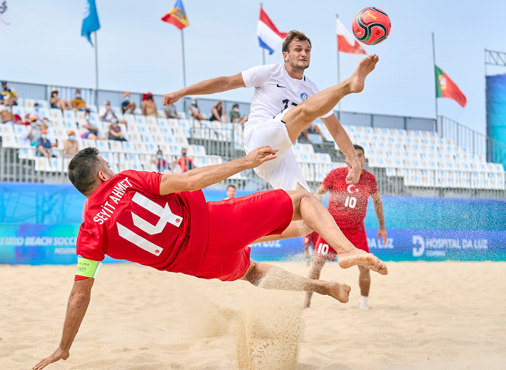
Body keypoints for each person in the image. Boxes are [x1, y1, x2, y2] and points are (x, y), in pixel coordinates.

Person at [33, 70, 388, 370]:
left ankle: (323, 287)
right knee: (303, 199)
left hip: (197, 263)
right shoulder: (125, 181)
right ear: (100, 176)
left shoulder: (88, 232)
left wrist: (64, 347)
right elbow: (189, 181)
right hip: (212, 223)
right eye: (106, 168)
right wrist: (244, 163)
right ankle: (343, 250)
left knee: (253, 270)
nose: (109, 171)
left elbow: (80, 294)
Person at [163, 31, 366, 191]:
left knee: (305, 208)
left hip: (279, 154)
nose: (304, 53)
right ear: (285, 55)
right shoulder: (269, 73)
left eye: (307, 50)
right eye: (298, 49)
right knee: (305, 112)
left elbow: (336, 130)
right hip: (257, 138)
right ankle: (348, 85)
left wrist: (354, 162)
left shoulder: (312, 90)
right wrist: (182, 92)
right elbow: (225, 82)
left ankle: (247, 241)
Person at [304, 144, 387, 310]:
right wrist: (309, 216)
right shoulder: (336, 174)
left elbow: (377, 202)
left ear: (363, 159)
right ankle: (306, 303)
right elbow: (318, 195)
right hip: (332, 228)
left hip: (356, 229)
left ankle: (364, 305)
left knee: (365, 266)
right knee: (317, 264)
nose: (357, 158)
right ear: (347, 158)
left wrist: (382, 227)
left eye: (360, 155)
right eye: (353, 155)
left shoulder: (369, 179)